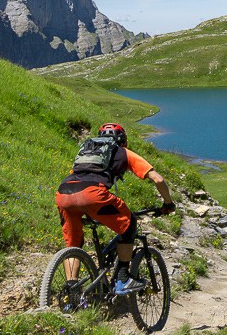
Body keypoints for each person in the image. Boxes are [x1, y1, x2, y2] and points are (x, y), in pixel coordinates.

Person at [55, 123, 174, 295]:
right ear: (123, 141)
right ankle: (123, 279)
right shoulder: (123, 152)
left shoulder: (87, 152)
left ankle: (71, 292)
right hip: (93, 194)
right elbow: (158, 179)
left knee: (73, 244)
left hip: (64, 193)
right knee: (129, 222)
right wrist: (168, 204)